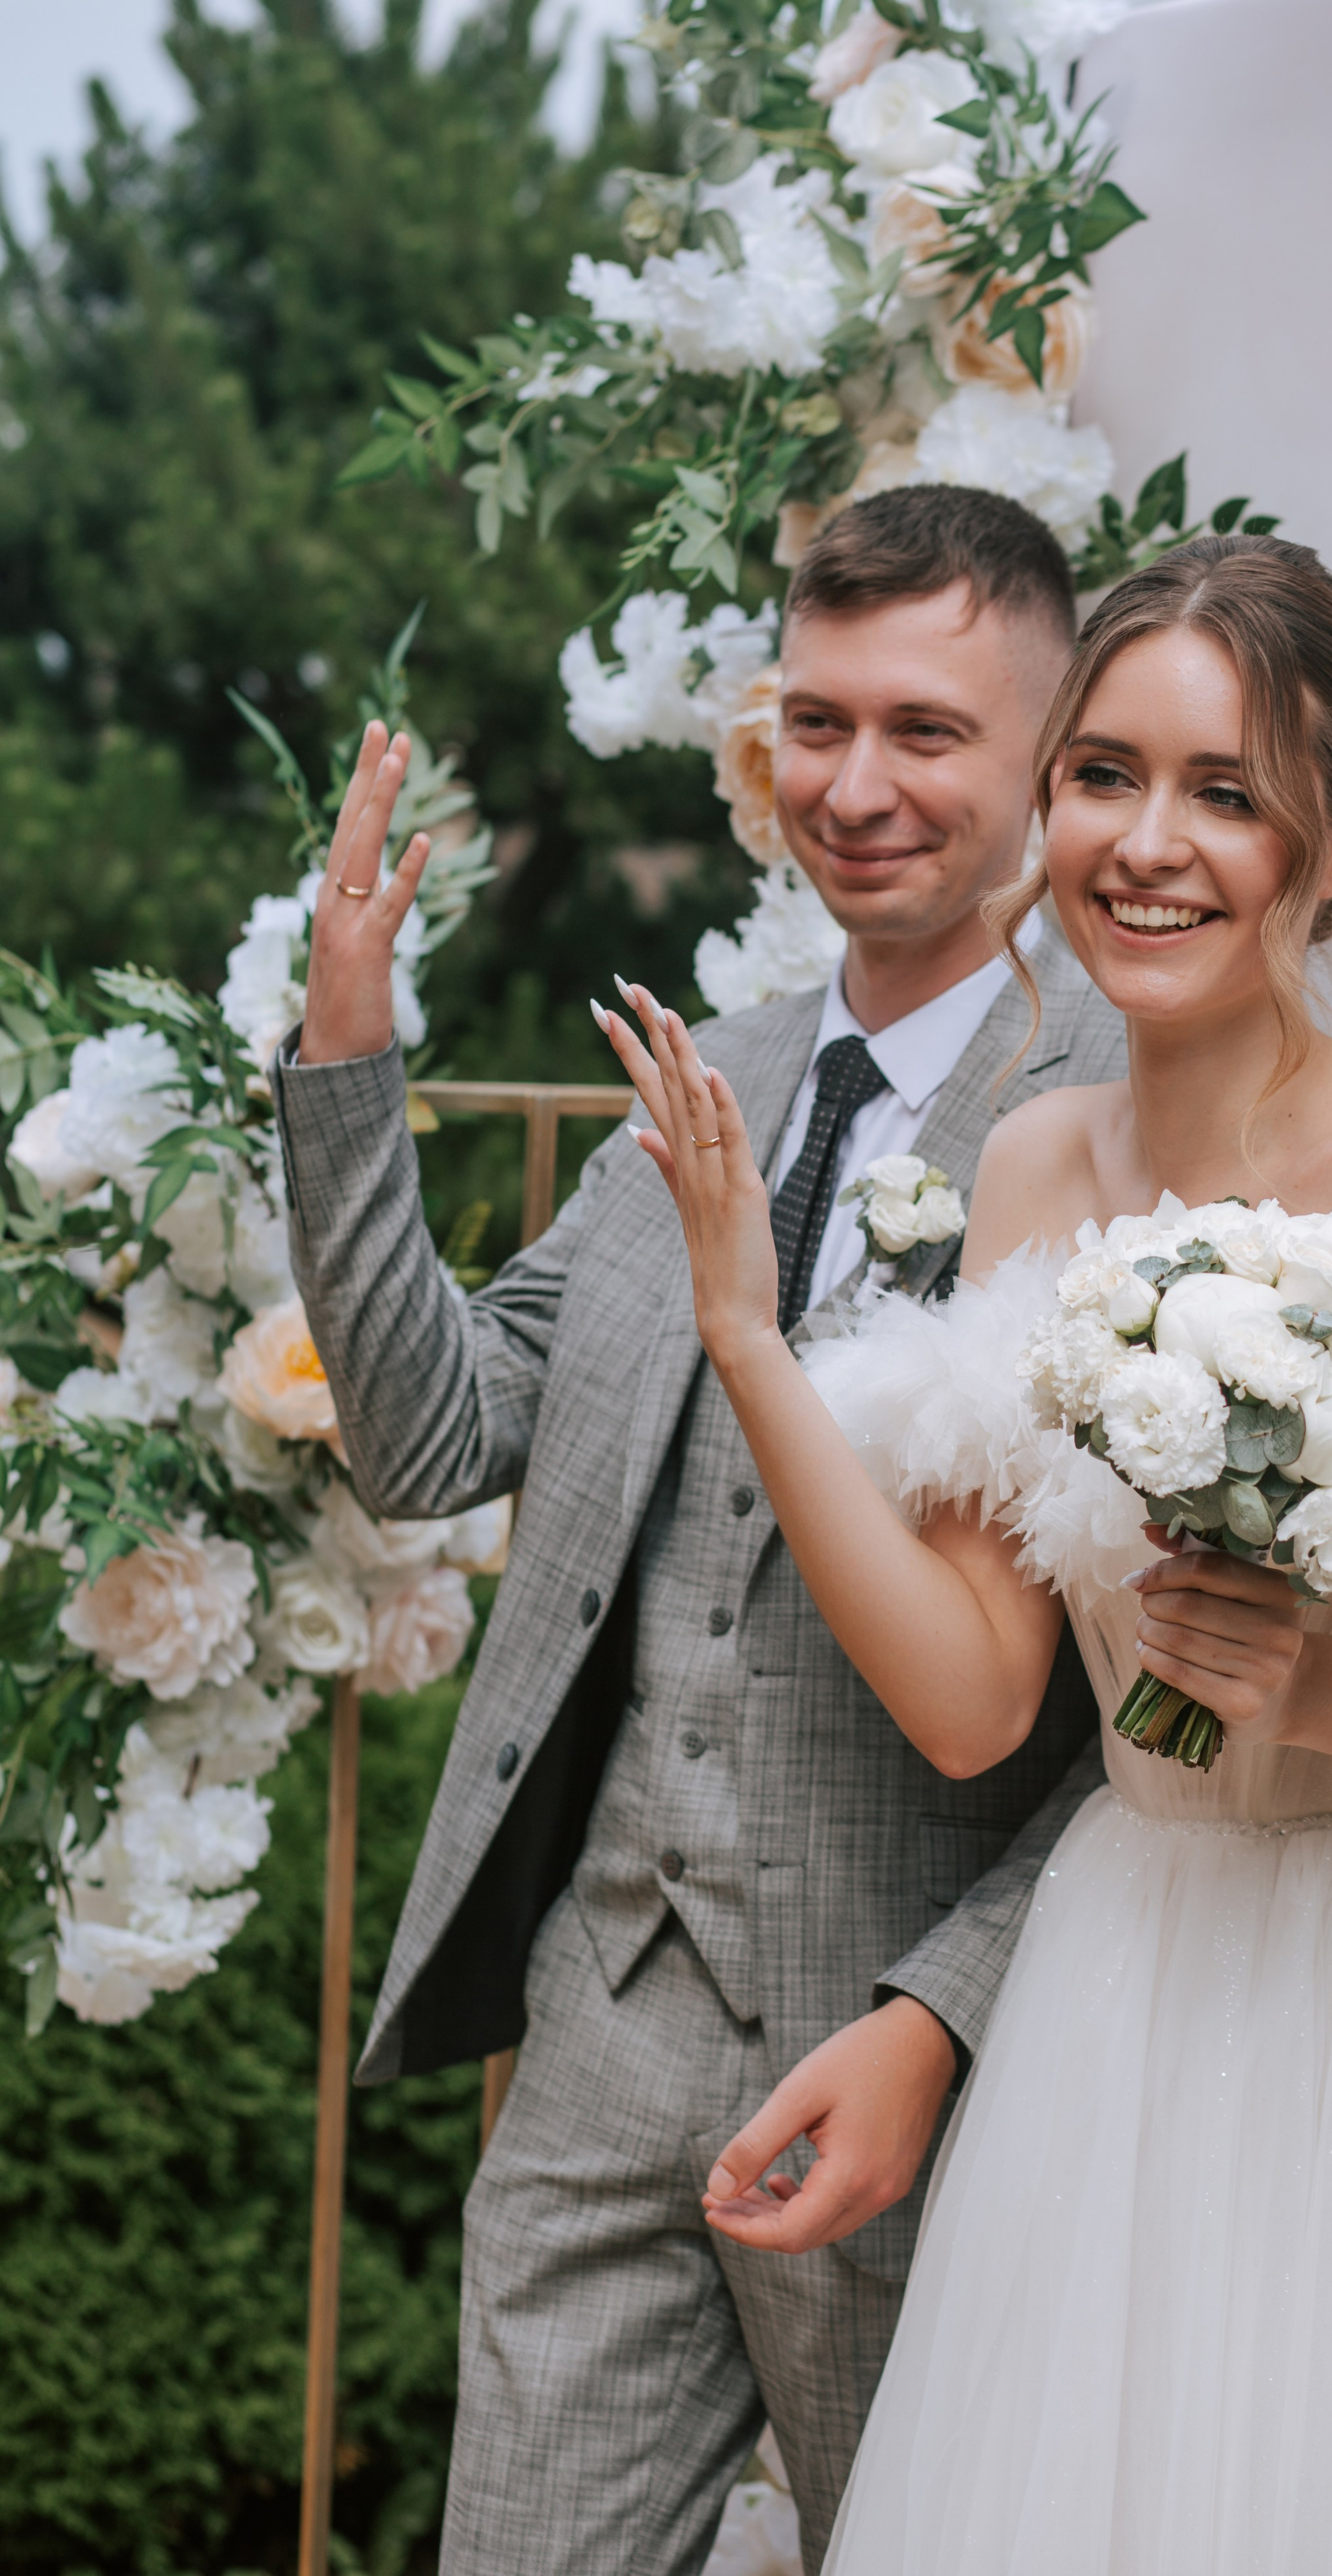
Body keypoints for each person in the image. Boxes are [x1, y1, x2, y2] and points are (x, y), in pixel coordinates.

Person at [606, 533, 1332, 2573]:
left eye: (1225, 794)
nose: (1148, 846)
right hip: (1137, 1985)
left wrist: (1322, 1683)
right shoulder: (1035, 1165)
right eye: (1105, 777)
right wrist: (746, 1340)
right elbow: (980, 1699)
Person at [269, 484, 1127, 2576]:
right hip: (605, 2024)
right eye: (815, 724)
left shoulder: (1130, 1103)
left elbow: (1176, 1703)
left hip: (924, 2069)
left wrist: (953, 2014)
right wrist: (348, 1063)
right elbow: (438, 1435)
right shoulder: (702, 1076)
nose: (853, 785)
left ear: (1049, 752)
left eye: (926, 731)